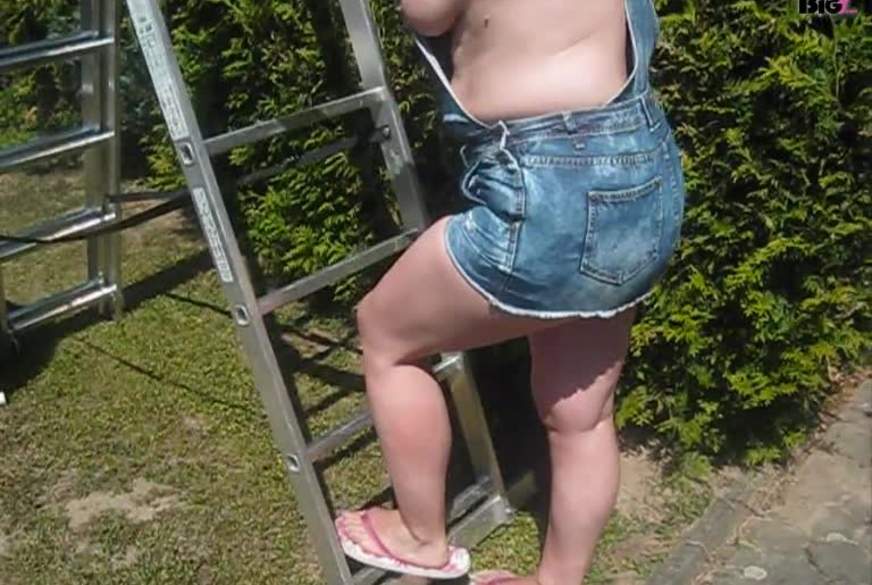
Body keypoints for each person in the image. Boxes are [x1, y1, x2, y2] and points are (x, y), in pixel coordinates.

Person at [334, 0, 686, 583]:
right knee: (581, 416)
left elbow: (426, 13)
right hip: (641, 171)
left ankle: (420, 537)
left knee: (386, 335)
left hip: (546, 184)